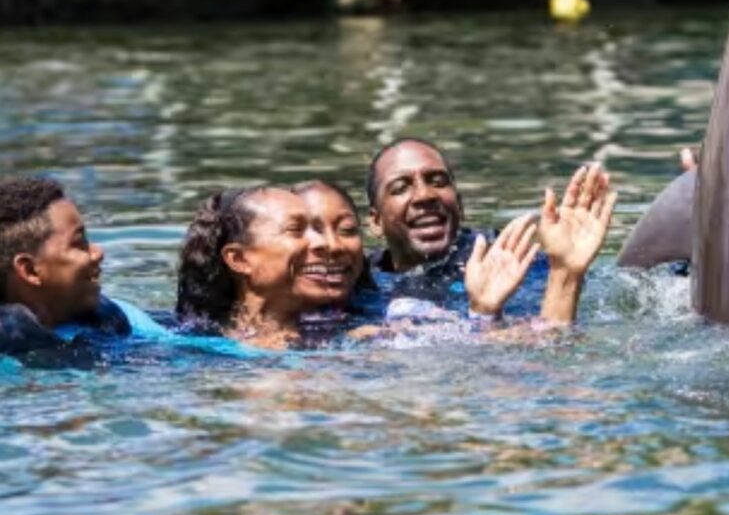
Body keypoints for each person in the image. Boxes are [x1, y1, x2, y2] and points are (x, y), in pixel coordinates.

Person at [176, 181, 545, 347]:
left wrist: (485, 312)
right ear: (239, 259)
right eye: (297, 230)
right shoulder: (183, 343)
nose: (328, 245)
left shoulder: (363, 336)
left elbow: (527, 352)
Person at [364, 137, 548, 314]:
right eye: (401, 188)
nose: (425, 195)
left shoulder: (504, 259)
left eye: (438, 182)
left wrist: (565, 271)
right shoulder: (360, 279)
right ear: (376, 221)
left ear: (460, 206)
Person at [0, 177, 143, 365]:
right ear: (30, 270)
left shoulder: (109, 317)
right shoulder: (10, 341)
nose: (98, 253)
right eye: (79, 243)